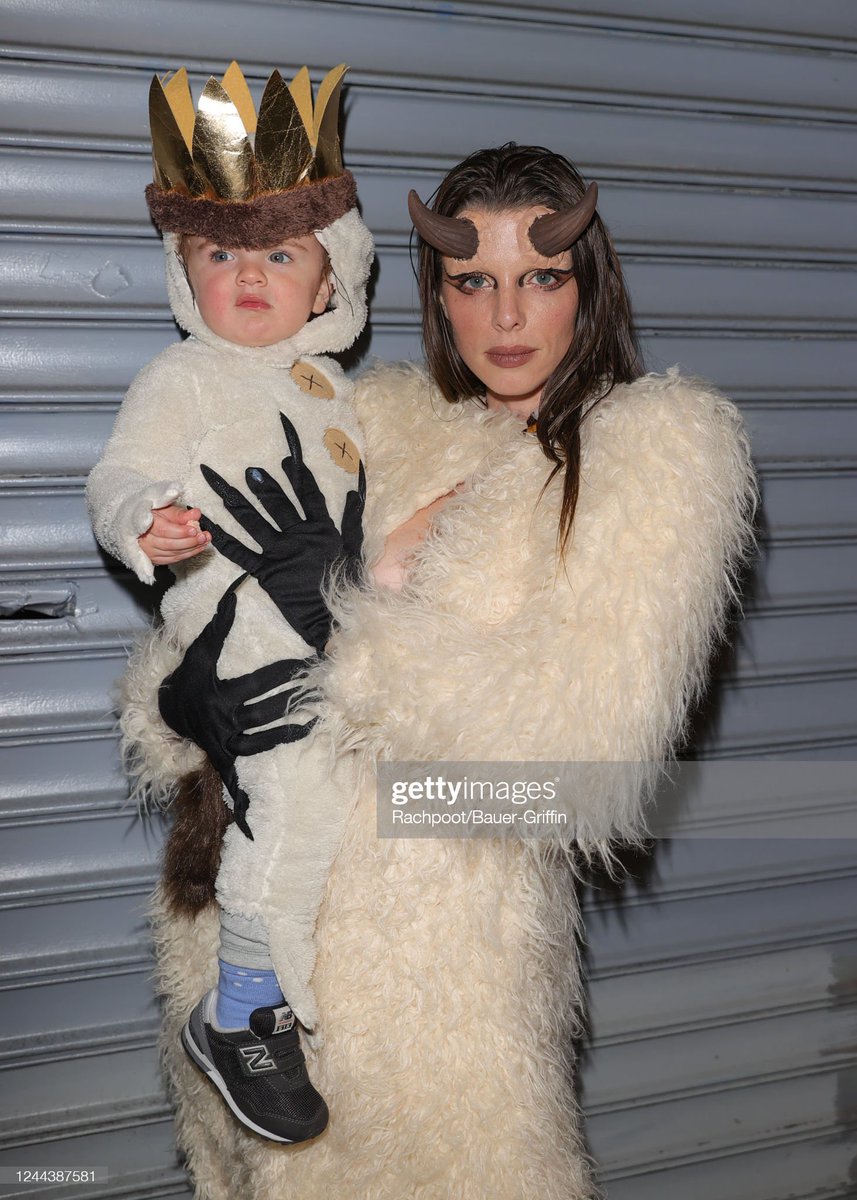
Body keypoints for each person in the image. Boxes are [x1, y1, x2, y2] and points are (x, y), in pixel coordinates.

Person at [142, 143, 756, 1197]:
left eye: (540, 278)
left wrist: (354, 618)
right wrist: (183, 688)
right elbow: (204, 630)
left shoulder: (648, 451)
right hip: (238, 967)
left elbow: (570, 772)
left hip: (433, 1000)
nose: (505, 317)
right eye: (473, 281)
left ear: (586, 285)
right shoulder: (371, 418)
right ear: (435, 289)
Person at [85, 61, 374, 1146]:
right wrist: (143, 523)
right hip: (237, 639)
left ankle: (294, 989)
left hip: (332, 640)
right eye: (218, 252)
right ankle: (242, 1008)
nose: (247, 275)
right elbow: (118, 474)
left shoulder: (334, 389)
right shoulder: (182, 379)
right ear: (182, 271)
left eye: (280, 251)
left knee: (335, 809)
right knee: (291, 788)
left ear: (329, 278)